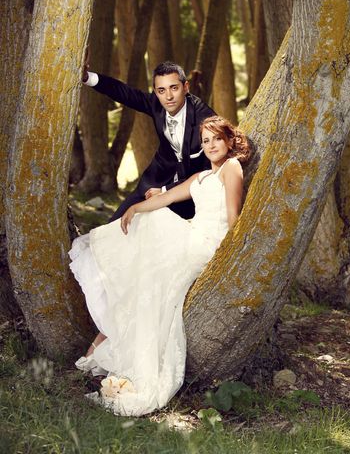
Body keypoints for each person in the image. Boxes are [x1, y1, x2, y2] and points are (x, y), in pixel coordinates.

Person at [70, 116, 250, 416]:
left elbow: (233, 219)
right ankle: (109, 346)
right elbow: (166, 198)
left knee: (152, 248)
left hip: (208, 244)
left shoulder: (232, 168)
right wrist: (135, 208)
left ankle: (111, 350)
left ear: (229, 141)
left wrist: (233, 258)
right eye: (205, 141)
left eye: (216, 138)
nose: (211, 145)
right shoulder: (202, 178)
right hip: (193, 237)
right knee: (145, 272)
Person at [82, 61, 215, 220]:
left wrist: (166, 191)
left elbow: (209, 171)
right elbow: (125, 93)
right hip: (155, 179)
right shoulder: (156, 104)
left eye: (174, 88)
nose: (169, 96)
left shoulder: (206, 120)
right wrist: (86, 77)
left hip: (188, 193)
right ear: (156, 92)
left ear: (186, 87)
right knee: (115, 225)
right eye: (161, 90)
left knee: (154, 233)